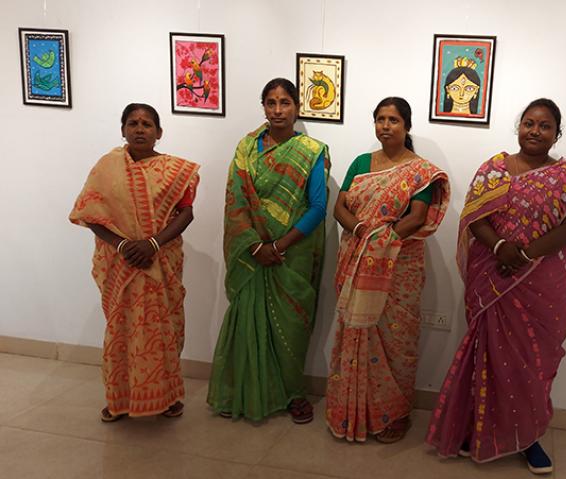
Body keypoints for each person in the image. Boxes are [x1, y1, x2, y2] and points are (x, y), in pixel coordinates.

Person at [426, 98, 566, 474]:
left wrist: (525, 255)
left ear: (557, 134)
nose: (535, 131)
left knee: (532, 363)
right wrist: (501, 248)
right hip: (493, 272)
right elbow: (475, 217)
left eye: (545, 126)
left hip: (542, 281)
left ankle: (529, 437)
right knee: (486, 356)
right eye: (529, 123)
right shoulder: (493, 170)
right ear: (519, 127)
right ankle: (475, 429)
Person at [326, 97, 450, 443]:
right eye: (380, 119)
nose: (385, 126)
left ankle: (395, 414)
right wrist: (362, 231)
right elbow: (340, 206)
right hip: (358, 257)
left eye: (393, 120)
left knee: (398, 339)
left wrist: (381, 241)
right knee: (357, 331)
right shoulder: (361, 163)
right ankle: (354, 411)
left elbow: (417, 216)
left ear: (407, 126)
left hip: (399, 265)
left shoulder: (420, 171)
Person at [207, 78, 330, 423]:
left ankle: (293, 393)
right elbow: (235, 201)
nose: (278, 110)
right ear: (263, 106)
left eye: (285, 102)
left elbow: (318, 207)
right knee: (248, 321)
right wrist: (256, 245)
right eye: (271, 103)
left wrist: (278, 245)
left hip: (292, 253)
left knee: (291, 327)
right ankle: (242, 391)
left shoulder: (312, 150)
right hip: (252, 252)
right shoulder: (246, 148)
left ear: (297, 108)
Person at [70, 103, 200, 422]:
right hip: (122, 261)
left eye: (147, 124)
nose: (140, 129)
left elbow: (186, 213)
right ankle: (120, 400)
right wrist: (123, 245)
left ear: (159, 132)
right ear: (123, 130)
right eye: (133, 123)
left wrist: (153, 243)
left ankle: (168, 398)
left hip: (161, 259)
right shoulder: (106, 168)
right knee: (121, 329)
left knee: (164, 328)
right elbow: (90, 214)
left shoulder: (175, 170)